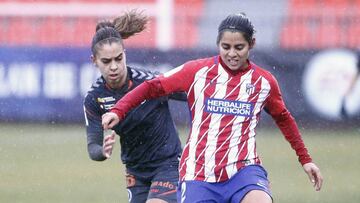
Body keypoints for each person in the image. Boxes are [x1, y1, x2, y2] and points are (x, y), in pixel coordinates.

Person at [102, 13, 323, 203]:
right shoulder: (197, 72)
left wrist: (306, 159)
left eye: (239, 47)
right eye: (226, 47)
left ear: (252, 44)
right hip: (198, 173)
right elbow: (153, 86)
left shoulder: (264, 82)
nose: (232, 54)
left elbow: (283, 117)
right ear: (218, 44)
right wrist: (118, 110)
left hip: (243, 171)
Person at [83, 10, 186, 203]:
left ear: (125, 55)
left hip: (168, 165)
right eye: (106, 61)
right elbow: (93, 146)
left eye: (118, 59)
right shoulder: (94, 98)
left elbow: (189, 92)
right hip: (135, 172)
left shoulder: (150, 82)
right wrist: (102, 151)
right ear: (94, 61)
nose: (114, 66)